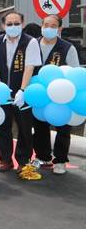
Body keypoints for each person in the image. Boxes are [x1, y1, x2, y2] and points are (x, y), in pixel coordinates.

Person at [0, 11, 42, 180]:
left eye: (16, 23)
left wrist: (23, 90)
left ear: (22, 24)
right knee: (3, 126)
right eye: (9, 24)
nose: (13, 27)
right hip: (4, 92)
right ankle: (5, 159)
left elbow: (29, 67)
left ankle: (24, 161)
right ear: (3, 26)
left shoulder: (30, 42)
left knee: (24, 127)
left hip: (23, 93)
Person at [32, 15, 80, 175]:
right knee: (39, 127)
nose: (49, 29)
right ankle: (42, 156)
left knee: (64, 128)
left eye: (53, 26)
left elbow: (75, 72)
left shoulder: (67, 47)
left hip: (62, 96)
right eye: (46, 25)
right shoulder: (33, 44)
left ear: (60, 29)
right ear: (41, 26)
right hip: (39, 94)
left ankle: (60, 160)